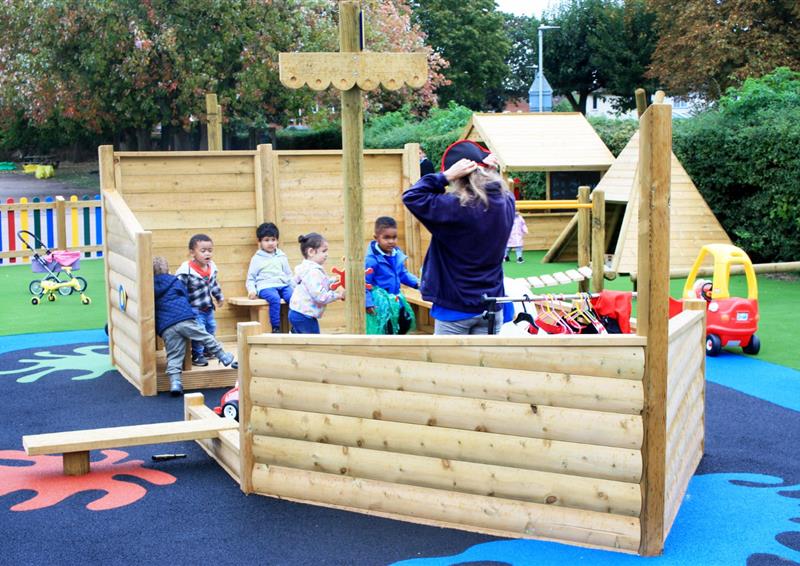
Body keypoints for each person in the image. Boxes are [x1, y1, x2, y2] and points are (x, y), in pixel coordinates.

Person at [403, 140, 515, 335]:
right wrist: (487, 169)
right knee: (484, 365)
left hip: (455, 308)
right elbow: (495, 189)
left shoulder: (454, 208)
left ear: (459, 176)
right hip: (491, 304)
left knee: (448, 365)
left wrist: (444, 176)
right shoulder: (506, 201)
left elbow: (412, 196)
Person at [153, 256, 237, 396]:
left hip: (166, 325)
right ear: (168, 269)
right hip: (184, 318)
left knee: (174, 354)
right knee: (204, 336)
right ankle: (223, 356)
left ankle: (175, 383)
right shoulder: (174, 281)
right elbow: (185, 296)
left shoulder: (150, 287)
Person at [365, 216, 419, 335]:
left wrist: (417, 283)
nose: (391, 241)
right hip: (382, 304)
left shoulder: (396, 254)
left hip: (396, 298)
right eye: (386, 237)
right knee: (387, 329)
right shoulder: (371, 260)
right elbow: (365, 283)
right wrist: (368, 303)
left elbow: (402, 274)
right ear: (376, 238)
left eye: (394, 237)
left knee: (405, 323)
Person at [176, 234, 224, 366]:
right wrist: (182, 307)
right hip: (194, 310)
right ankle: (197, 355)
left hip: (208, 308)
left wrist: (219, 297)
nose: (207, 254)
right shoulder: (187, 271)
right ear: (192, 252)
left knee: (211, 328)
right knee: (199, 332)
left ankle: (209, 350)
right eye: (203, 251)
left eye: (210, 250)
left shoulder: (211, 268)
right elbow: (179, 289)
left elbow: (214, 285)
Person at [288, 233, 343, 334]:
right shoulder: (312, 272)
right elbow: (320, 296)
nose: (327, 254)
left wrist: (335, 280)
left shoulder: (306, 268)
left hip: (299, 313)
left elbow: (320, 284)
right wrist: (338, 295)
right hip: (304, 315)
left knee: (303, 342)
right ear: (311, 252)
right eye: (324, 251)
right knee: (314, 344)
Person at [246, 222, 294, 333]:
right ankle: (275, 327)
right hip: (266, 286)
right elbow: (251, 278)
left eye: (273, 239)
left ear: (277, 240)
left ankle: (294, 326)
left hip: (283, 285)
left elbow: (288, 274)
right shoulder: (257, 258)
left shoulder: (281, 256)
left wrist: (296, 288)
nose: (270, 243)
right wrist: (252, 290)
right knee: (274, 299)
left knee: (292, 298)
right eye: (266, 240)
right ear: (260, 242)